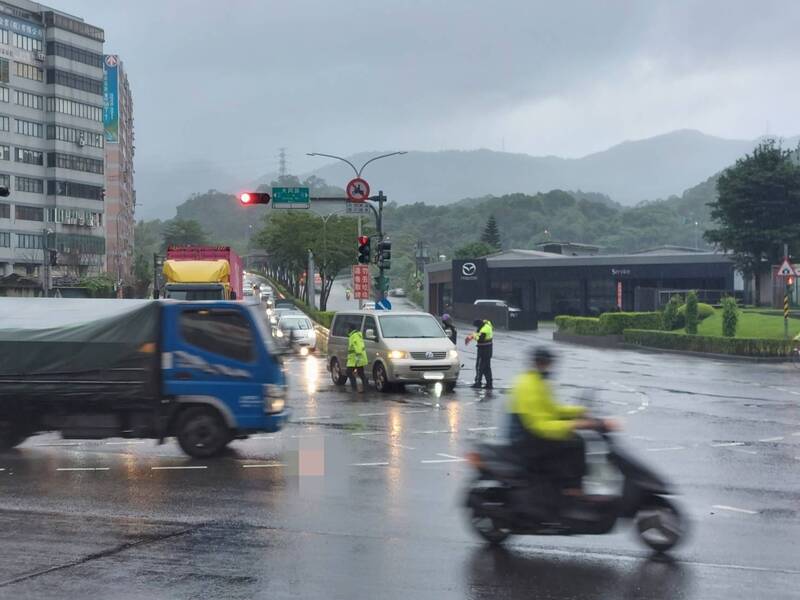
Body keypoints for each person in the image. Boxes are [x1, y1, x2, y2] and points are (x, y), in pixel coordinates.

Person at [508, 347, 610, 498]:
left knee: (576, 438)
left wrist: (580, 412)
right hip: (526, 438)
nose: (548, 367)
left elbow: (552, 409)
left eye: (548, 363)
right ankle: (572, 489)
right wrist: (573, 425)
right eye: (545, 363)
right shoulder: (527, 385)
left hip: (534, 432)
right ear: (538, 363)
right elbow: (538, 425)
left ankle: (563, 487)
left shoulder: (538, 381)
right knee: (576, 443)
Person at [466, 319, 493, 389]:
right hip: (488, 350)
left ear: (479, 325)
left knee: (479, 367)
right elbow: (480, 334)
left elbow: (480, 339)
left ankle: (478, 383)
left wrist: (473, 336)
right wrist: (474, 335)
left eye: (476, 327)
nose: (476, 328)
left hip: (483, 350)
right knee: (487, 368)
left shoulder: (484, 330)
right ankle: (489, 384)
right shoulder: (487, 326)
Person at [346, 326, 368, 392]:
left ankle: (354, 387)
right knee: (361, 373)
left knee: (349, 372)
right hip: (357, 358)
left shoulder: (354, 336)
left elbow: (358, 348)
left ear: (351, 329)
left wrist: (358, 356)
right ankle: (365, 386)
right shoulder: (356, 335)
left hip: (356, 359)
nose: (347, 330)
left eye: (348, 328)